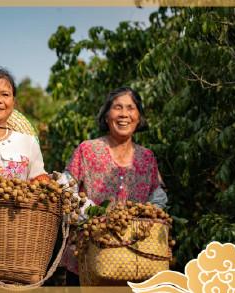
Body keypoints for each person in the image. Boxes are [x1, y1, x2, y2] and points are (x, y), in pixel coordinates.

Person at [59, 86, 168, 285]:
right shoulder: (87, 149)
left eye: (131, 108)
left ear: (139, 117)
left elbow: (158, 198)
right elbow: (66, 188)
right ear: (107, 116)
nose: (124, 114)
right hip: (87, 255)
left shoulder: (147, 157)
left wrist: (145, 216)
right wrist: (95, 214)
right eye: (118, 107)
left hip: (135, 259)